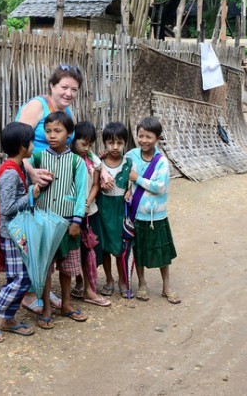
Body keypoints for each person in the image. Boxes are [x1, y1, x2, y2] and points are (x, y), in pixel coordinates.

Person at [0, 122, 39, 343]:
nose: (33, 145)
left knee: (21, 278)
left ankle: (9, 318)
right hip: (11, 234)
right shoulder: (10, 174)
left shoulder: (15, 167)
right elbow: (7, 208)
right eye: (31, 141)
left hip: (16, 233)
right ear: (23, 146)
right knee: (20, 279)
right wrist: (31, 194)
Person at [29, 111, 89, 326]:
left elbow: (82, 192)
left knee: (68, 267)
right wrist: (33, 188)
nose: (52, 135)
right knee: (45, 268)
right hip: (43, 222)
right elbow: (26, 186)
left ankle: (66, 303)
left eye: (57, 131)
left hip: (67, 223)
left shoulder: (76, 162)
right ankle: (45, 306)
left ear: (70, 134)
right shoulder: (36, 158)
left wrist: (77, 221)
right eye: (48, 131)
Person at [126, 117, 180, 305]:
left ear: (157, 138)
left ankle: (166, 286)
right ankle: (141, 283)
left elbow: (160, 187)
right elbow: (124, 175)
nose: (144, 140)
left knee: (162, 252)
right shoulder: (131, 155)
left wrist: (137, 178)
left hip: (156, 216)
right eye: (140, 136)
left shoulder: (162, 162)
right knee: (139, 251)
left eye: (148, 137)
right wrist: (127, 187)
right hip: (137, 214)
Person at [69, 121, 110, 307]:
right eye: (83, 143)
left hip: (89, 212)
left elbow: (95, 185)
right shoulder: (67, 159)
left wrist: (87, 202)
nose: (87, 148)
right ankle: (79, 282)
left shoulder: (93, 161)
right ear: (73, 140)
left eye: (90, 144)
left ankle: (88, 288)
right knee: (74, 250)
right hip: (71, 213)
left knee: (88, 250)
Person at [96, 122, 132, 297]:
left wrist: (130, 191)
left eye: (119, 142)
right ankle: (109, 279)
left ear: (125, 142)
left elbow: (132, 183)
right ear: (104, 143)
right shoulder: (99, 162)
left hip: (120, 211)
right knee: (104, 248)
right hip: (103, 210)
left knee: (120, 249)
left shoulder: (129, 163)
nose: (115, 147)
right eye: (111, 142)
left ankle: (122, 280)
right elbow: (93, 183)